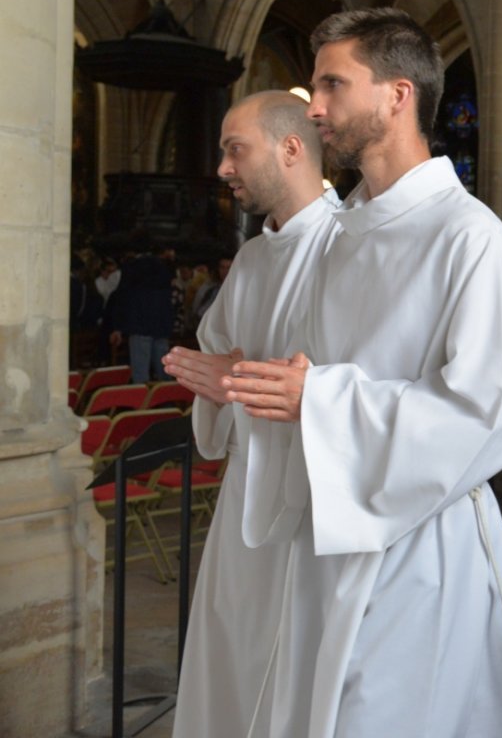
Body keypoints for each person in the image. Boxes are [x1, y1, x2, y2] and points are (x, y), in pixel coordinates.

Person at [221, 7, 502, 737]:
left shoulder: (470, 238)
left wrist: (323, 397)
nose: (316, 106)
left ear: (398, 95)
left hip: (419, 548)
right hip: (325, 535)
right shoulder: (342, 235)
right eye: (315, 86)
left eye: (334, 84)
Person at [162, 90, 342, 738]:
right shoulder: (252, 257)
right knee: (225, 664)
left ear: (291, 147)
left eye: (234, 149)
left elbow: (355, 382)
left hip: (309, 508)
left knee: (291, 677)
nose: (222, 169)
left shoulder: (347, 248)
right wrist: (216, 384)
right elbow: (220, 354)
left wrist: (238, 377)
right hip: (242, 501)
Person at [108, 235, 175, 382]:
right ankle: (166, 400)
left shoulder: (131, 267)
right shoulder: (164, 267)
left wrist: (118, 326)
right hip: (161, 324)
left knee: (140, 373)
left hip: (139, 323)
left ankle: (143, 402)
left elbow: (122, 297)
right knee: (164, 371)